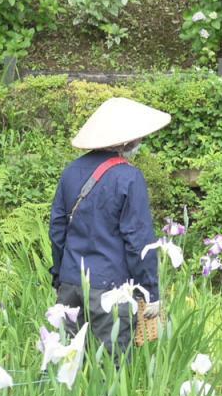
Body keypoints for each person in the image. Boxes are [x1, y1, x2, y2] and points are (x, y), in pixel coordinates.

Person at [50, 96, 170, 357]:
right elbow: (138, 241)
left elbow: (57, 229)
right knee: (111, 371)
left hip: (70, 283)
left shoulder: (71, 171)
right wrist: (150, 291)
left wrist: (60, 275)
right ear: (128, 140)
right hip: (110, 289)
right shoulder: (129, 177)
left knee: (67, 366)